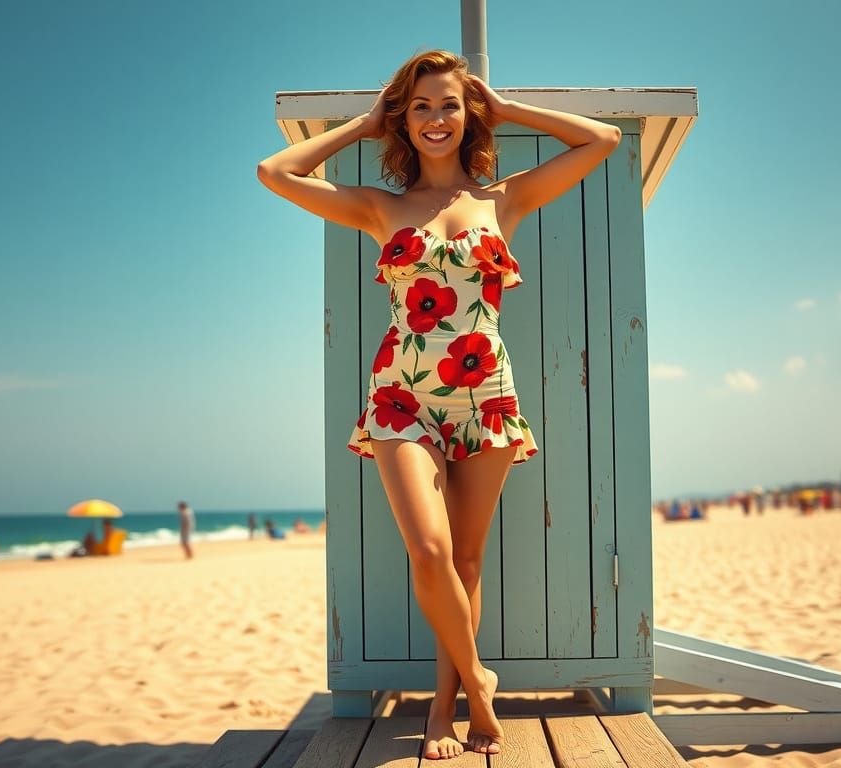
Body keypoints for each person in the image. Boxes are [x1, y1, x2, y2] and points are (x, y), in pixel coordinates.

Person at [257, 49, 620, 759]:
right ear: (404, 117)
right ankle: (481, 686)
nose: (434, 118)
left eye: (448, 104)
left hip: (483, 392)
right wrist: (361, 125)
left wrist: (506, 109)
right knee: (429, 551)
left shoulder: (503, 198)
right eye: (419, 105)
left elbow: (599, 140)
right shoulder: (378, 206)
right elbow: (276, 173)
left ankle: (445, 711)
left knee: (469, 561)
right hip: (401, 394)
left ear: (467, 113)